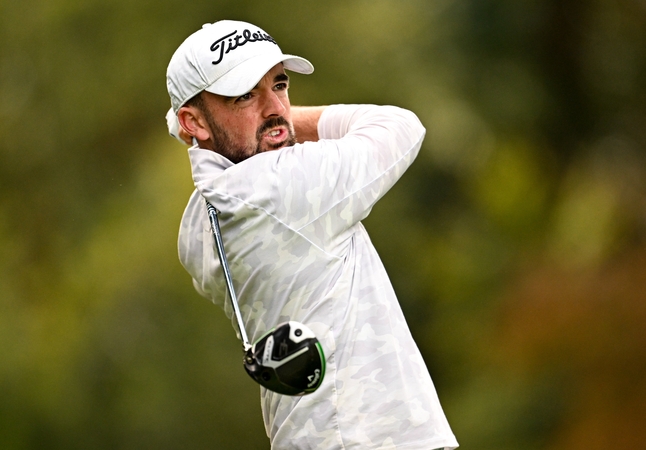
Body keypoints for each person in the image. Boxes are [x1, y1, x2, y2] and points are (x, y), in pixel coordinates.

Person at [165, 20, 458, 450]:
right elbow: (400, 126)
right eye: (245, 94)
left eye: (279, 86)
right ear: (193, 120)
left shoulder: (196, 226)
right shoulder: (284, 186)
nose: (275, 106)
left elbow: (222, 156)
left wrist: (222, 126)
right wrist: (281, 123)